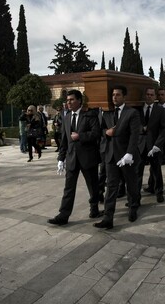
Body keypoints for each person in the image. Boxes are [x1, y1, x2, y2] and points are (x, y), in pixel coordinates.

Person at [48, 90, 103, 225]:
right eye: (67, 100)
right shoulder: (66, 117)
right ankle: (63, 215)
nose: (69, 102)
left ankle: (94, 209)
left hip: (88, 157)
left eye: (72, 100)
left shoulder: (90, 115)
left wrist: (81, 136)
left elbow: (96, 134)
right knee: (68, 188)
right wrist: (61, 159)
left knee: (93, 186)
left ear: (79, 100)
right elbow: (65, 140)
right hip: (72, 158)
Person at [95, 85, 141, 230]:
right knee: (111, 187)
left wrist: (130, 153)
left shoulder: (132, 113)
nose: (115, 97)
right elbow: (100, 130)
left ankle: (133, 207)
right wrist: (106, 132)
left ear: (124, 97)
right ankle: (108, 218)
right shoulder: (106, 113)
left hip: (127, 155)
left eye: (118, 95)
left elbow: (135, 135)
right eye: (113, 95)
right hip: (111, 156)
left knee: (131, 184)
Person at [137, 87, 165, 204]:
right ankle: (135, 197)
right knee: (138, 172)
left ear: (155, 97)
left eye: (151, 95)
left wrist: (157, 145)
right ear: (144, 95)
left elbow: (164, 128)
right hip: (140, 145)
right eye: (147, 94)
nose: (149, 96)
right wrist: (142, 128)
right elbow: (133, 125)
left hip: (154, 145)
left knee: (156, 171)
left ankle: (159, 192)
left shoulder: (160, 110)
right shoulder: (138, 109)